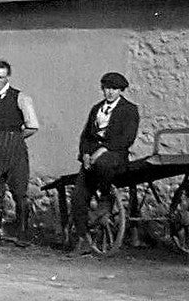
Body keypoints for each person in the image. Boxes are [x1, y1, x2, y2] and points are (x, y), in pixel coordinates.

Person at [68, 72, 139, 254]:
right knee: (77, 196)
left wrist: (103, 149)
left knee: (102, 164)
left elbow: (127, 138)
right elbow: (86, 135)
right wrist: (85, 154)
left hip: (115, 156)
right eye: (106, 88)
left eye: (114, 89)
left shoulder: (129, 109)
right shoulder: (96, 109)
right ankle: (83, 239)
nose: (109, 92)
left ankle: (105, 196)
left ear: (121, 90)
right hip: (91, 157)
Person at [0, 59, 39, 242]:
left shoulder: (21, 98)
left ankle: (23, 233)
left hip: (15, 149)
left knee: (19, 191)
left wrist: (14, 139)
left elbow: (32, 126)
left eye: (1, 77)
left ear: (7, 77)